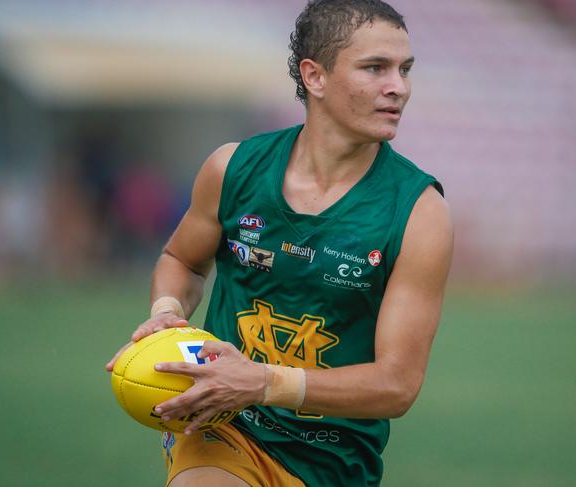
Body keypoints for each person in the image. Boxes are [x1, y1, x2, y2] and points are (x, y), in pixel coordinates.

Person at [106, 1, 453, 485]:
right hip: (225, 428)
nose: (399, 87)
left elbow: (396, 385)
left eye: (405, 69)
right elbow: (181, 260)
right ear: (315, 76)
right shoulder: (233, 168)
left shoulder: (418, 211)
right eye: (375, 68)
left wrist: (263, 382)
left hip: (334, 461)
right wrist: (168, 311)